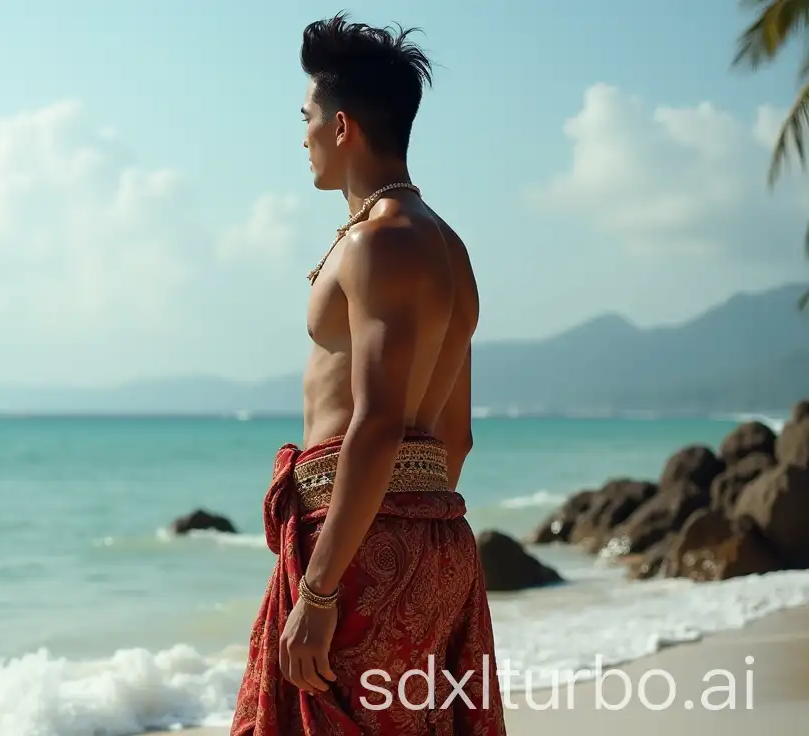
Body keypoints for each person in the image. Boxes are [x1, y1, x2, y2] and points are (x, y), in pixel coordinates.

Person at [230, 13, 506, 735]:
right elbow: (458, 437)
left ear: (343, 125)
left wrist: (319, 593)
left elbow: (378, 420)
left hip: (362, 548)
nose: (303, 137)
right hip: (436, 537)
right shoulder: (449, 249)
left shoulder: (378, 243)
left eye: (308, 117)